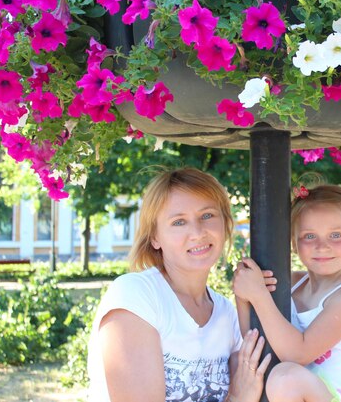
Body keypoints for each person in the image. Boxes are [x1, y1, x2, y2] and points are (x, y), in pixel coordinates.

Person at [87, 168, 273, 402]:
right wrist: (236, 398)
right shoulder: (136, 296)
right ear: (155, 237)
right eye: (179, 222)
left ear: (225, 224)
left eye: (207, 216)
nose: (197, 233)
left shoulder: (227, 314)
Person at [233, 185, 341, 402]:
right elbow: (256, 338)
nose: (322, 246)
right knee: (243, 362)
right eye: (309, 236)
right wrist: (243, 294)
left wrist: (258, 296)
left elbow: (297, 355)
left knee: (285, 377)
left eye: (335, 235)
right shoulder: (290, 283)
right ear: (294, 242)